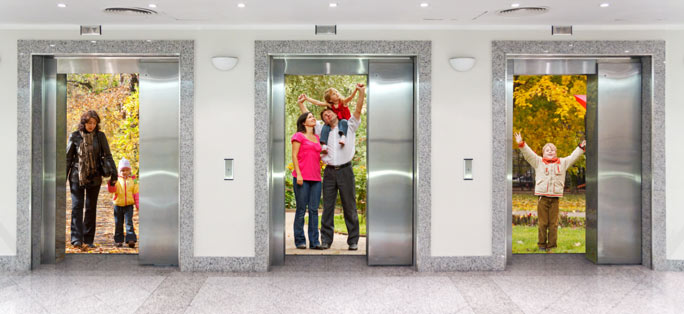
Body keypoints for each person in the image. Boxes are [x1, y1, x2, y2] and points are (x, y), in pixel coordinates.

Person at [297, 83, 366, 250]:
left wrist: (361, 93)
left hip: (345, 170)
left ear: (335, 113)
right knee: (328, 207)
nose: (326, 115)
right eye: (324, 115)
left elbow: (357, 108)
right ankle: (326, 240)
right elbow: (307, 116)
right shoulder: (322, 130)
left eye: (329, 112)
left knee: (349, 206)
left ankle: (353, 241)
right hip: (328, 172)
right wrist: (301, 103)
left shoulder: (349, 125)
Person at [514, 132, 585, 252]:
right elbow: (528, 154)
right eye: (547, 150)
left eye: (552, 150)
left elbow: (573, 156)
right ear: (543, 153)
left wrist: (580, 147)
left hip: (555, 198)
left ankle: (552, 245)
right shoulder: (538, 162)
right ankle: (541, 244)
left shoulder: (562, 163)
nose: (550, 152)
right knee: (543, 223)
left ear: (556, 152)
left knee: (553, 224)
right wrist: (521, 143)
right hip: (543, 198)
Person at [66, 110, 117, 249]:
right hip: (77, 176)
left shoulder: (100, 136)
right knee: (77, 206)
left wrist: (114, 174)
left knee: (90, 208)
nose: (91, 125)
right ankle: (76, 239)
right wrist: (62, 178)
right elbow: (68, 158)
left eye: (94, 123)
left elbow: (108, 155)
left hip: (95, 176)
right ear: (83, 123)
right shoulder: (75, 136)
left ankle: (88, 239)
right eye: (89, 123)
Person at [291, 112, 323, 249]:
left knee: (314, 210)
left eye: (313, 116)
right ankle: (300, 241)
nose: (313, 118)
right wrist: (298, 174)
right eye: (310, 117)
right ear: (304, 122)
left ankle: (315, 242)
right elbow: (294, 155)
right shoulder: (298, 136)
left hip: (316, 178)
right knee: (301, 209)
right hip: (302, 178)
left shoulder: (316, 137)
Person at [299, 86, 358, 153]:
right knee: (325, 127)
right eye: (333, 94)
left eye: (336, 92)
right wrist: (307, 98)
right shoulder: (330, 105)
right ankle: (324, 144)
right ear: (330, 100)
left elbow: (350, 97)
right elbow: (318, 103)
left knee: (343, 122)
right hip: (337, 123)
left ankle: (343, 136)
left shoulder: (343, 102)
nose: (336, 93)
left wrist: (356, 90)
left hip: (344, 121)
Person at [107, 158, 139, 248]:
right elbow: (111, 190)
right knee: (118, 223)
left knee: (129, 222)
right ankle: (119, 240)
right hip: (118, 205)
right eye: (122, 170)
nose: (124, 172)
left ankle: (131, 239)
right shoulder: (116, 180)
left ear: (130, 171)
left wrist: (138, 204)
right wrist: (111, 184)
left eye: (126, 170)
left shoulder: (133, 180)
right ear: (119, 171)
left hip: (129, 205)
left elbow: (136, 193)